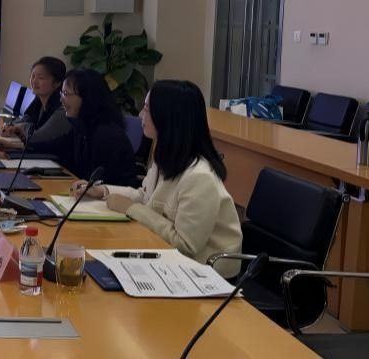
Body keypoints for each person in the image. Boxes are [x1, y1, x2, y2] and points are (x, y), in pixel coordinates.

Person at [72, 80, 242, 277]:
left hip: (205, 273)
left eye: (146, 109)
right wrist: (103, 191)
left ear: (167, 117)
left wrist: (132, 209)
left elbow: (186, 246)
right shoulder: (167, 157)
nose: (140, 115)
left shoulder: (200, 177)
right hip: (169, 261)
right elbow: (146, 196)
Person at [29, 68, 137, 186]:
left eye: (66, 94)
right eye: (61, 93)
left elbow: (104, 184)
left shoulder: (107, 135)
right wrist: (23, 145)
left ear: (87, 97)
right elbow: (56, 146)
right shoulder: (82, 126)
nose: (61, 100)